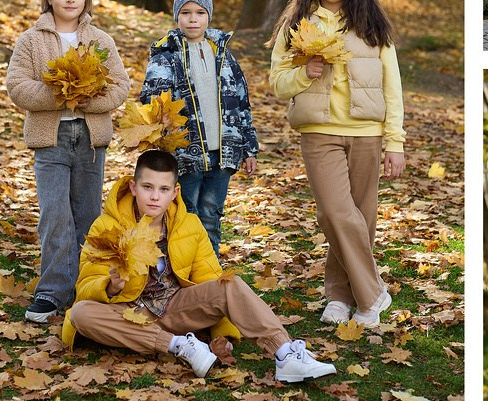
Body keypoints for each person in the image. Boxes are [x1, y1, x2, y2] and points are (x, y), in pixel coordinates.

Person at [62, 148, 337, 384]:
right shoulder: (106, 226)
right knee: (82, 313)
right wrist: (109, 287)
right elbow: (84, 287)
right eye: (147, 187)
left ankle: (286, 353)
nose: (155, 197)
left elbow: (210, 277)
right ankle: (180, 346)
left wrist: (221, 335)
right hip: (127, 314)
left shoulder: (189, 225)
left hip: (175, 307)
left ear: (175, 192)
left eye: (163, 189)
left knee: (230, 283)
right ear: (133, 187)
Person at [267, 0, 404, 328]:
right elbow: (277, 82)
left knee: (361, 218)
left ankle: (342, 297)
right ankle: (374, 292)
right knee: (335, 213)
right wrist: (302, 74)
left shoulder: (372, 23)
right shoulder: (297, 25)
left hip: (367, 132)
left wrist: (395, 140)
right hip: (319, 131)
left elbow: (392, 85)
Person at [4, 0, 129, 323]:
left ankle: (87, 287)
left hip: (90, 140)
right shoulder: (32, 40)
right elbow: (17, 85)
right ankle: (52, 289)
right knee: (55, 213)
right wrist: (58, 95)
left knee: (87, 214)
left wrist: (92, 99)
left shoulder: (100, 40)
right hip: (50, 138)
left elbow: (120, 84)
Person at [138, 0, 259, 247]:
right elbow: (151, 101)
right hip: (185, 155)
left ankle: (210, 277)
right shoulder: (166, 56)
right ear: (177, 16)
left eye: (200, 13)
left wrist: (249, 148)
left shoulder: (224, 55)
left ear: (209, 16)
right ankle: (181, 277)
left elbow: (242, 103)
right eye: (186, 13)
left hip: (222, 153)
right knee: (185, 214)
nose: (193, 20)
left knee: (211, 217)